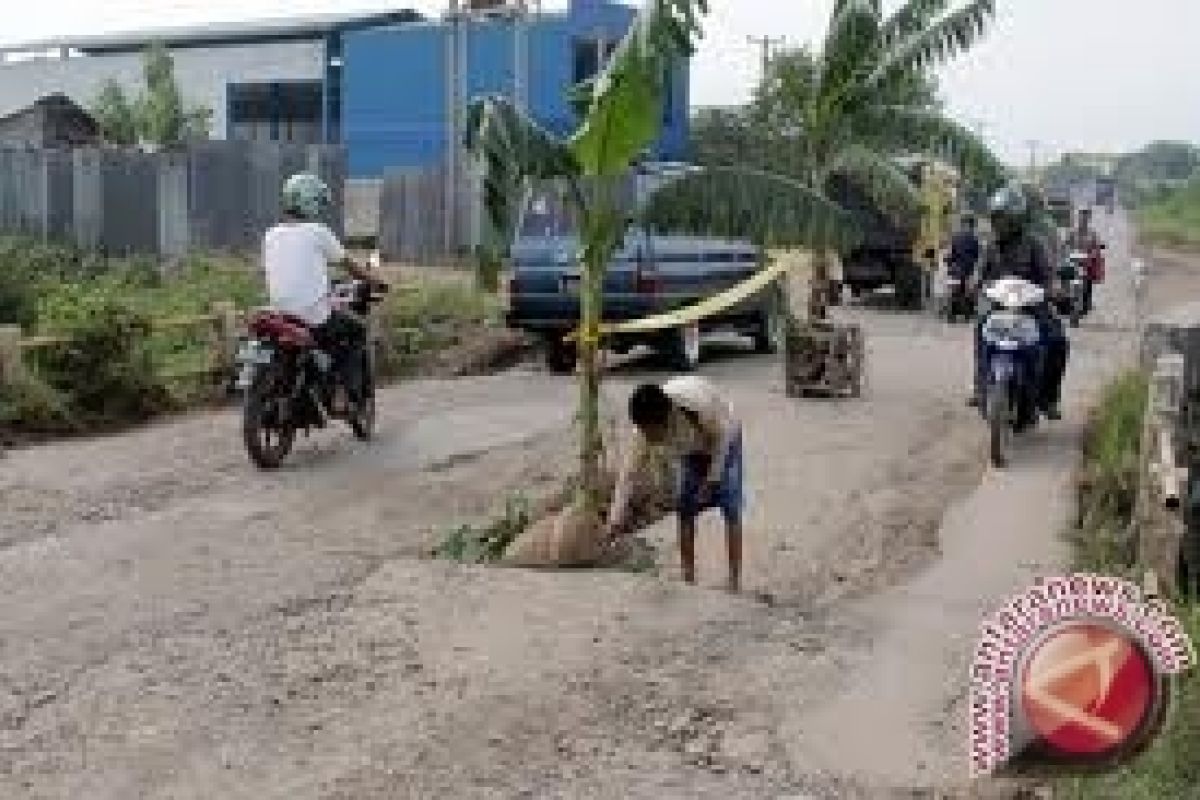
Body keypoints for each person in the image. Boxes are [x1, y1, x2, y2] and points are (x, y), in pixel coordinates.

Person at [605, 377, 744, 592]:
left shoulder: (697, 407)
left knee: (731, 507)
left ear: (667, 419)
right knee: (685, 509)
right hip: (691, 450)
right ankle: (688, 577)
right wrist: (615, 521)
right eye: (644, 432)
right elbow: (628, 475)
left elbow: (723, 435)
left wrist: (712, 479)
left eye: (653, 433)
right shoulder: (643, 430)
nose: (649, 438)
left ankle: (734, 580)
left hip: (724, 439)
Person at [263, 173, 385, 415]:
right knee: (356, 331)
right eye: (318, 202)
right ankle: (342, 393)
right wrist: (376, 281)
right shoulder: (318, 232)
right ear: (309, 202)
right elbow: (350, 266)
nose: (320, 208)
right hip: (311, 314)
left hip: (280, 313)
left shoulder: (271, 234)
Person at [970, 184, 1069, 420]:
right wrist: (973, 283)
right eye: (996, 219)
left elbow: (1049, 274)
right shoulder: (991, 246)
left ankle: (1048, 398)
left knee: (1058, 341)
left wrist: (1054, 288)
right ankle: (980, 386)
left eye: (1002, 219)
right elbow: (979, 271)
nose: (998, 224)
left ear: (1016, 219)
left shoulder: (1034, 244)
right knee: (980, 330)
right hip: (999, 306)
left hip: (1032, 308)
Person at [1066, 207, 1104, 312]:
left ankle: (1087, 302)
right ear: (1079, 217)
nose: (1084, 219)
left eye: (1086, 216)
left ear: (1089, 218)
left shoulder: (1092, 234)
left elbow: (1097, 247)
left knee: (1088, 281)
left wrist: (1094, 253)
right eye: (1082, 216)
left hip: (1086, 263)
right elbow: (1065, 245)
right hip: (1074, 262)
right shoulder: (1073, 233)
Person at [947, 214, 982, 281]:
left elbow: (952, 253)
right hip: (968, 267)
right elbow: (976, 255)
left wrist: (951, 264)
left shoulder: (956, 236)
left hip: (958, 267)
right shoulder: (974, 238)